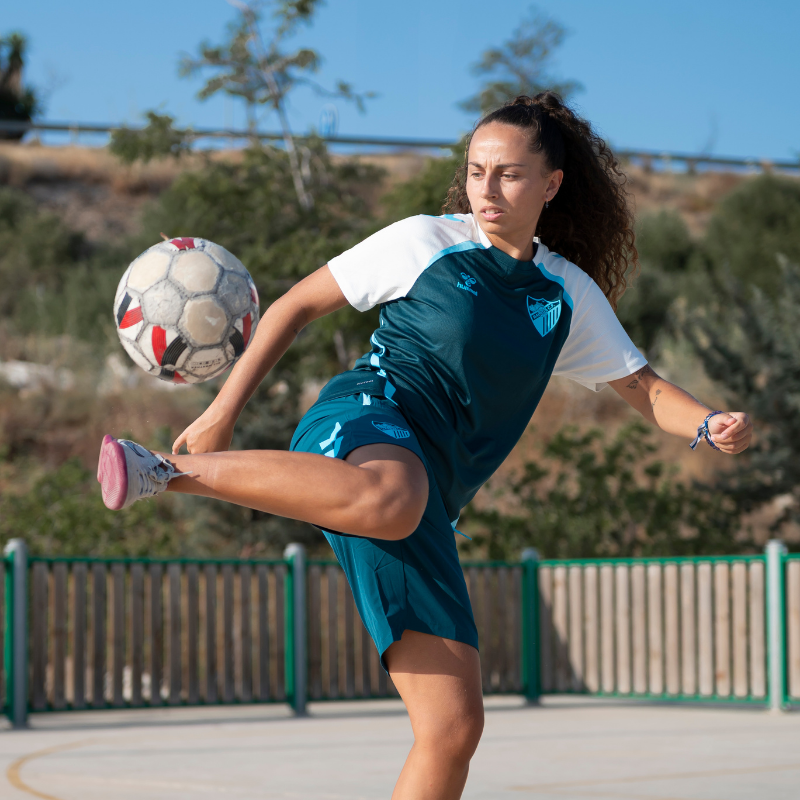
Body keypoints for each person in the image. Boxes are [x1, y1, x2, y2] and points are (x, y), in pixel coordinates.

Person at [97, 92, 753, 800]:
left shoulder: (566, 295)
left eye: (509, 174)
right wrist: (222, 412)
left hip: (424, 503)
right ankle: (161, 469)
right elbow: (295, 305)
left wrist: (707, 422)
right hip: (363, 419)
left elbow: (645, 388)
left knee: (453, 727)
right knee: (394, 496)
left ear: (551, 184)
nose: (487, 188)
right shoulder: (425, 242)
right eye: (476, 171)